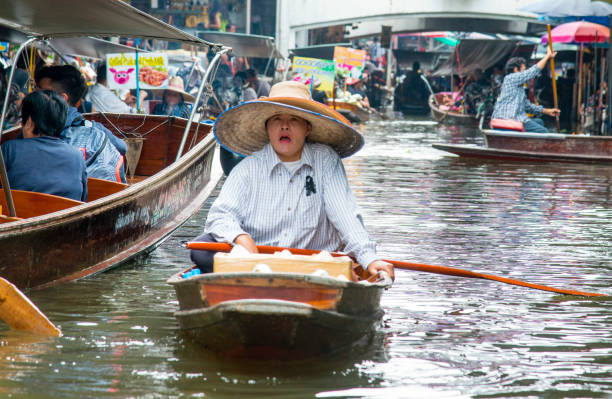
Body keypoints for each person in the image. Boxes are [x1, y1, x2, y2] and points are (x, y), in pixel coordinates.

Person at [189, 80, 395, 280]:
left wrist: (369, 259)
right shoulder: (248, 168)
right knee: (202, 248)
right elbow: (220, 216)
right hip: (258, 267)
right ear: (267, 127)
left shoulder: (325, 160)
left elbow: (346, 217)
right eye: (277, 118)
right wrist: (241, 239)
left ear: (308, 128)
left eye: (294, 119)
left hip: (315, 268)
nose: (285, 126)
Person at [35, 64, 127, 183]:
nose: (33, 97)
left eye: (40, 92)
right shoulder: (93, 127)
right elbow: (123, 147)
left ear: (62, 98)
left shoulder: (33, 131)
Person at [1, 90, 87, 202]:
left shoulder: (10, 149)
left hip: (23, 218)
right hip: (68, 216)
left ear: (30, 122)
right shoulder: (77, 156)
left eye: (22, 119)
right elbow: (83, 198)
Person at [491, 48, 560, 133]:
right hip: (510, 119)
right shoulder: (511, 78)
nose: (524, 73)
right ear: (516, 69)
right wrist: (547, 57)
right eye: (523, 70)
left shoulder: (518, 89)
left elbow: (527, 106)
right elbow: (531, 73)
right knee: (544, 132)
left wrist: (547, 111)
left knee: (539, 121)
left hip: (516, 118)